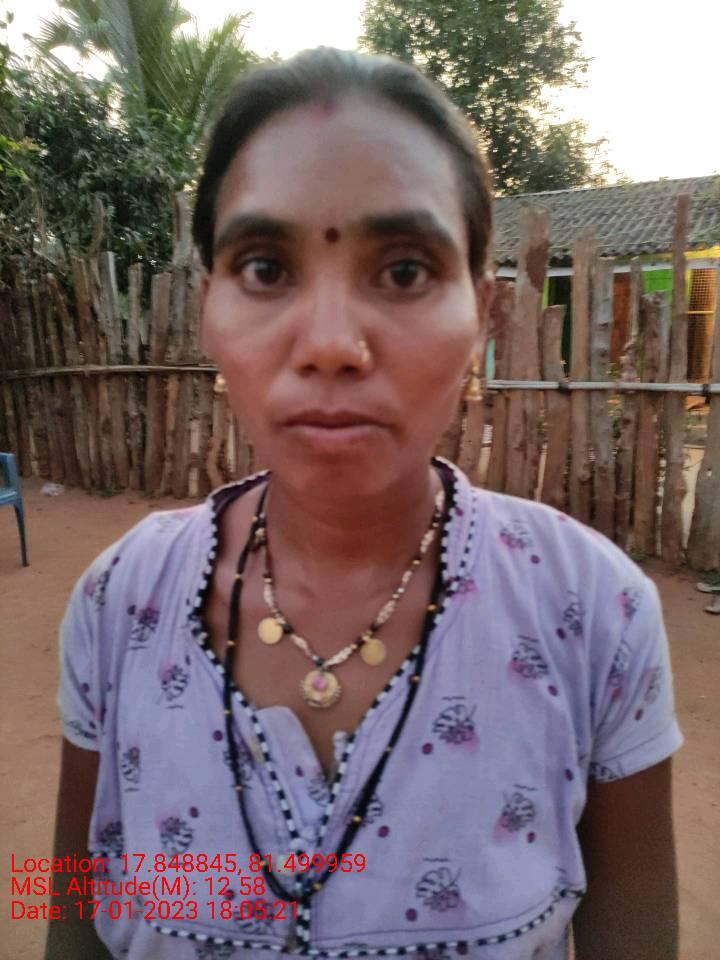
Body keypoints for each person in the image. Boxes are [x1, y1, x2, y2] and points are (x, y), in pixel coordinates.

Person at [46, 47, 683, 960]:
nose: (332, 344)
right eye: (265, 267)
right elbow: (75, 910)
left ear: (487, 316)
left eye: (406, 271)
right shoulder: (120, 605)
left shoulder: (592, 615)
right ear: (208, 310)